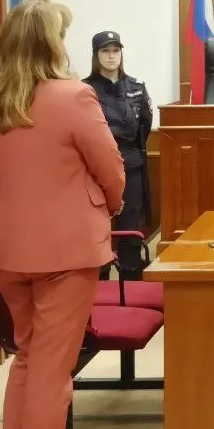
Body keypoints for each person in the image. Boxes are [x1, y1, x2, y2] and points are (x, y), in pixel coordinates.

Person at [0, 0, 125, 429]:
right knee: (52, 371)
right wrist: (111, 206)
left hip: (10, 250)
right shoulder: (72, 96)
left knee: (27, 358)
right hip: (66, 252)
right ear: (51, 44)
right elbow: (111, 169)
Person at [83, 30, 153, 281]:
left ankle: (131, 284)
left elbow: (144, 126)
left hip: (130, 166)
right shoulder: (84, 90)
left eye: (116, 51)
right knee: (96, 231)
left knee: (130, 229)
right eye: (105, 51)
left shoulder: (136, 88)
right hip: (95, 170)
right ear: (96, 55)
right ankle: (100, 284)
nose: (111, 56)